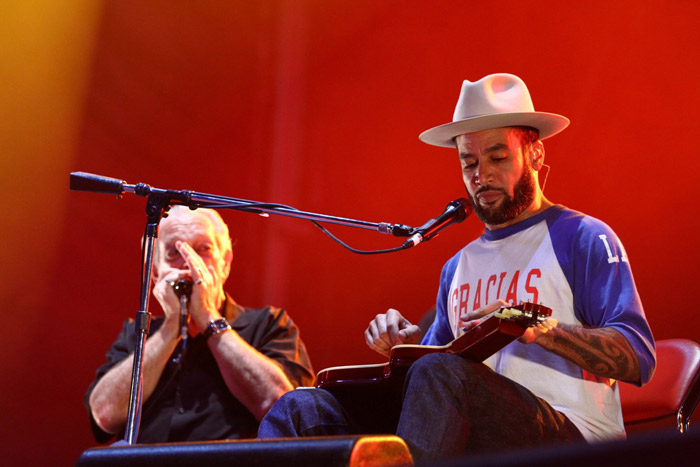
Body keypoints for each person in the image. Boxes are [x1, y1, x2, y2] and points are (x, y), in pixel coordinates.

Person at [257, 73, 656, 462]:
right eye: (468, 162)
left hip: (571, 438)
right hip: (474, 436)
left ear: (535, 154)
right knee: (302, 407)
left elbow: (638, 356)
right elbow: (435, 367)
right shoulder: (458, 267)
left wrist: (539, 328)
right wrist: (406, 345)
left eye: (497, 156)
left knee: (440, 373)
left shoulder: (581, 237)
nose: (481, 175)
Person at [85, 206, 314, 443]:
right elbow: (104, 415)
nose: (190, 264)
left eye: (203, 249)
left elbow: (286, 410)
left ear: (225, 262)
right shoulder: (138, 333)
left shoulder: (269, 324)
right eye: (175, 252)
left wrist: (207, 318)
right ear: (154, 270)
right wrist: (171, 327)